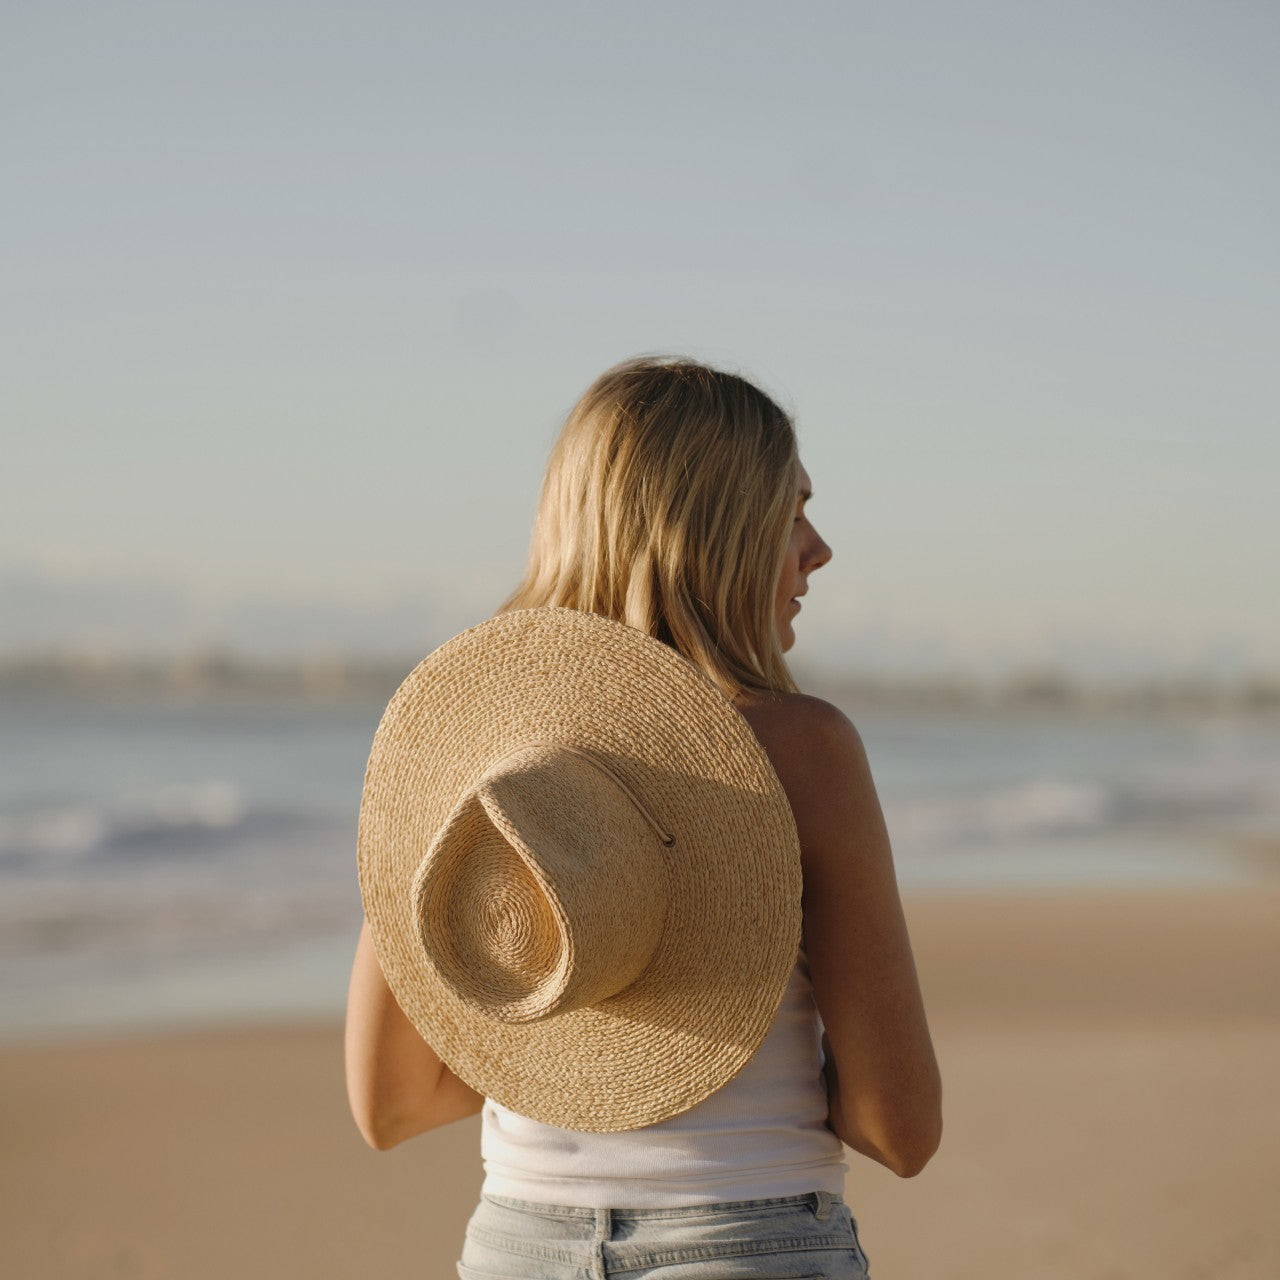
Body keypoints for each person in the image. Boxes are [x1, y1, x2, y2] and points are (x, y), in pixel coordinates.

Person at [345, 356, 942, 1279]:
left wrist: (565, 1010)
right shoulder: (803, 751)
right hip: (747, 1240)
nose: (817, 548)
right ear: (714, 533)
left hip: (515, 1248)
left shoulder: (467, 750)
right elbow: (897, 1129)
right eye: (790, 511)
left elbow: (391, 1105)